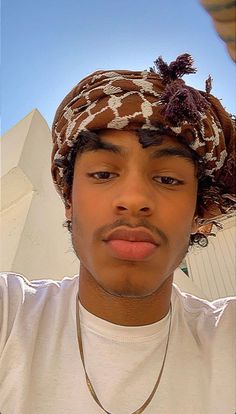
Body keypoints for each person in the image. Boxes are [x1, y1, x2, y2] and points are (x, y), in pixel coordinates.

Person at [0, 54, 235, 414]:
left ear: (198, 213)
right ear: (69, 200)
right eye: (103, 174)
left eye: (168, 179)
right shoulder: (10, 316)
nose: (134, 200)